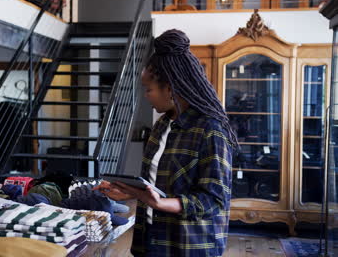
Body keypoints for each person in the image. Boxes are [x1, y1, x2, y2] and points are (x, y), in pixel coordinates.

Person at [94, 29, 237, 256]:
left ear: (169, 89)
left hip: (189, 247)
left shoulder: (211, 130)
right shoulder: (161, 125)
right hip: (150, 239)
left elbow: (213, 200)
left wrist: (161, 204)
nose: (146, 95)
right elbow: (155, 186)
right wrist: (129, 192)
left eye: (148, 89)